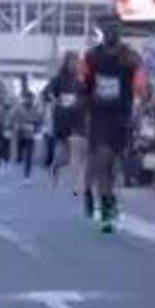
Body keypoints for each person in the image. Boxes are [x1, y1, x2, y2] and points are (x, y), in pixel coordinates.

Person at [82, 17, 147, 233]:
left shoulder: (129, 57)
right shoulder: (92, 57)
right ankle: (106, 211)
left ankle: (110, 198)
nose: (112, 32)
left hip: (121, 116)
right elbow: (83, 83)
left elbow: (140, 83)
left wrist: (138, 106)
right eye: (108, 29)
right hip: (99, 115)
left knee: (116, 165)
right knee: (102, 161)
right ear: (102, 32)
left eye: (116, 29)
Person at [45, 51, 89, 201]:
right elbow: (48, 92)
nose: (74, 64)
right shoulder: (58, 79)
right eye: (71, 61)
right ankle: (55, 167)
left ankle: (77, 185)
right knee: (62, 156)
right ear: (66, 63)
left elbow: (86, 96)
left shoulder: (80, 81)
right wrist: (55, 100)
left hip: (77, 121)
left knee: (77, 153)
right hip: (62, 120)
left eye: (76, 62)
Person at [9, 89, 42, 180]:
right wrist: (13, 126)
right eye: (27, 98)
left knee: (29, 155)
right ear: (24, 99)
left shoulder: (35, 109)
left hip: (30, 135)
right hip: (20, 133)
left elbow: (39, 121)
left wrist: (37, 128)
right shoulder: (18, 108)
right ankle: (17, 162)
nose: (28, 100)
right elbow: (10, 119)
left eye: (30, 98)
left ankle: (26, 175)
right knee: (19, 153)